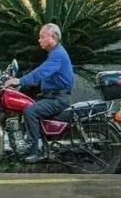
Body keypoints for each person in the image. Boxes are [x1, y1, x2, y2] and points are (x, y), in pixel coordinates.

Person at [12, 23, 74, 159]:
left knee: (30, 111)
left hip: (58, 99)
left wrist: (19, 81)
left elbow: (41, 72)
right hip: (52, 97)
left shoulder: (57, 55)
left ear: (52, 37)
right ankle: (34, 145)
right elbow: (45, 76)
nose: (39, 40)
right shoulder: (55, 53)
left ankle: (35, 150)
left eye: (42, 37)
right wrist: (21, 85)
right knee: (26, 105)